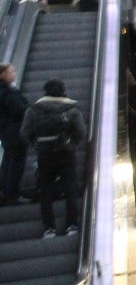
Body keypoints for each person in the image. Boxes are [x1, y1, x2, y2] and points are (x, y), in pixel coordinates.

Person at [21, 79, 87, 238]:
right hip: (66, 154)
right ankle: (72, 225)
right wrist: (72, 144)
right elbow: (81, 131)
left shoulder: (34, 110)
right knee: (70, 188)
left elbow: (25, 132)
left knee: (45, 190)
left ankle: (49, 228)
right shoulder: (71, 109)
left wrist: (36, 144)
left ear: (45, 91)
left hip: (44, 154)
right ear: (63, 90)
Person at [0, 63, 29, 206]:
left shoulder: (5, 91)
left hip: (6, 132)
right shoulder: (7, 92)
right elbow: (19, 109)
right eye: (11, 71)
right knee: (16, 163)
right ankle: (12, 194)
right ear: (2, 74)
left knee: (8, 161)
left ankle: (6, 192)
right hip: (15, 132)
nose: (14, 73)